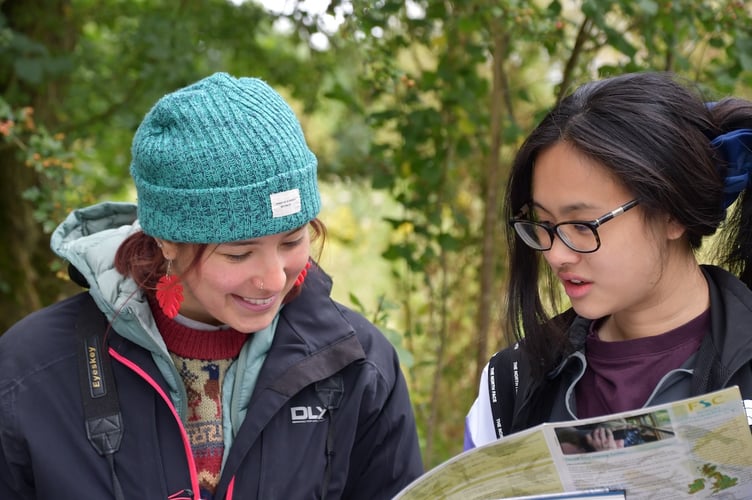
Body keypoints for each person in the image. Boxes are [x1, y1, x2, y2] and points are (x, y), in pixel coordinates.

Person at [0, 72, 423, 499]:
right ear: (166, 240)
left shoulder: (357, 366)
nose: (274, 279)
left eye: (293, 241)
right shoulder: (28, 373)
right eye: (239, 253)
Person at [464, 71, 752, 450]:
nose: (556, 254)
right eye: (544, 224)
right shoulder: (509, 385)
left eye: (582, 225)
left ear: (671, 212)